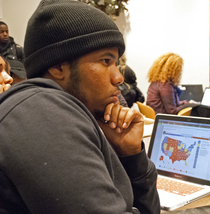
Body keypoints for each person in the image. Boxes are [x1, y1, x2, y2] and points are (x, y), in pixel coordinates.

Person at [0, 0, 160, 213]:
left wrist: (131, 156)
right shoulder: (40, 112)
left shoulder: (66, 111)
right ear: (58, 66)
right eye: (105, 61)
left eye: (117, 63)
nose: (119, 77)